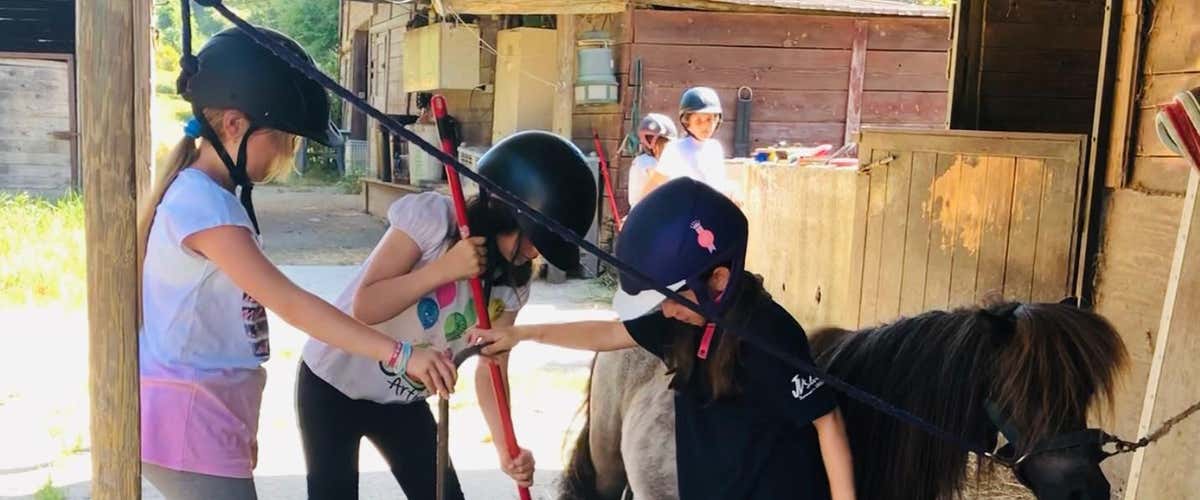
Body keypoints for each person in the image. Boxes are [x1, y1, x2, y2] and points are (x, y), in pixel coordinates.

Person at [138, 27, 456, 500]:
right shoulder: (204, 207)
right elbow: (292, 303)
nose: (288, 152)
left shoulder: (209, 199)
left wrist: (239, 427)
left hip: (206, 418)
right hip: (188, 421)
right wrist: (400, 353)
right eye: (283, 137)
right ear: (234, 124)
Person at [471, 177, 856, 499]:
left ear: (718, 280)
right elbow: (608, 333)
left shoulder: (770, 333)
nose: (666, 312)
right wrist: (522, 334)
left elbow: (828, 421)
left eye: (670, 299)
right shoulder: (689, 322)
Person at [297, 130, 598, 499]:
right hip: (333, 382)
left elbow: (492, 366)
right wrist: (443, 271)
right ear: (503, 211)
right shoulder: (433, 222)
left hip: (402, 401)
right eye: (533, 238)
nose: (535, 254)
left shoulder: (512, 284)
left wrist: (506, 448)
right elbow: (367, 306)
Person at [649, 87, 736, 199]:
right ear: (687, 123)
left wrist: (733, 190)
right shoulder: (675, 149)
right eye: (698, 121)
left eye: (709, 119)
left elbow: (718, 184)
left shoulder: (715, 148)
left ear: (717, 120)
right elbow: (654, 184)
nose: (705, 126)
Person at [628, 113, 679, 207]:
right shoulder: (646, 161)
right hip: (645, 213)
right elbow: (663, 178)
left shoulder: (653, 161)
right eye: (665, 145)